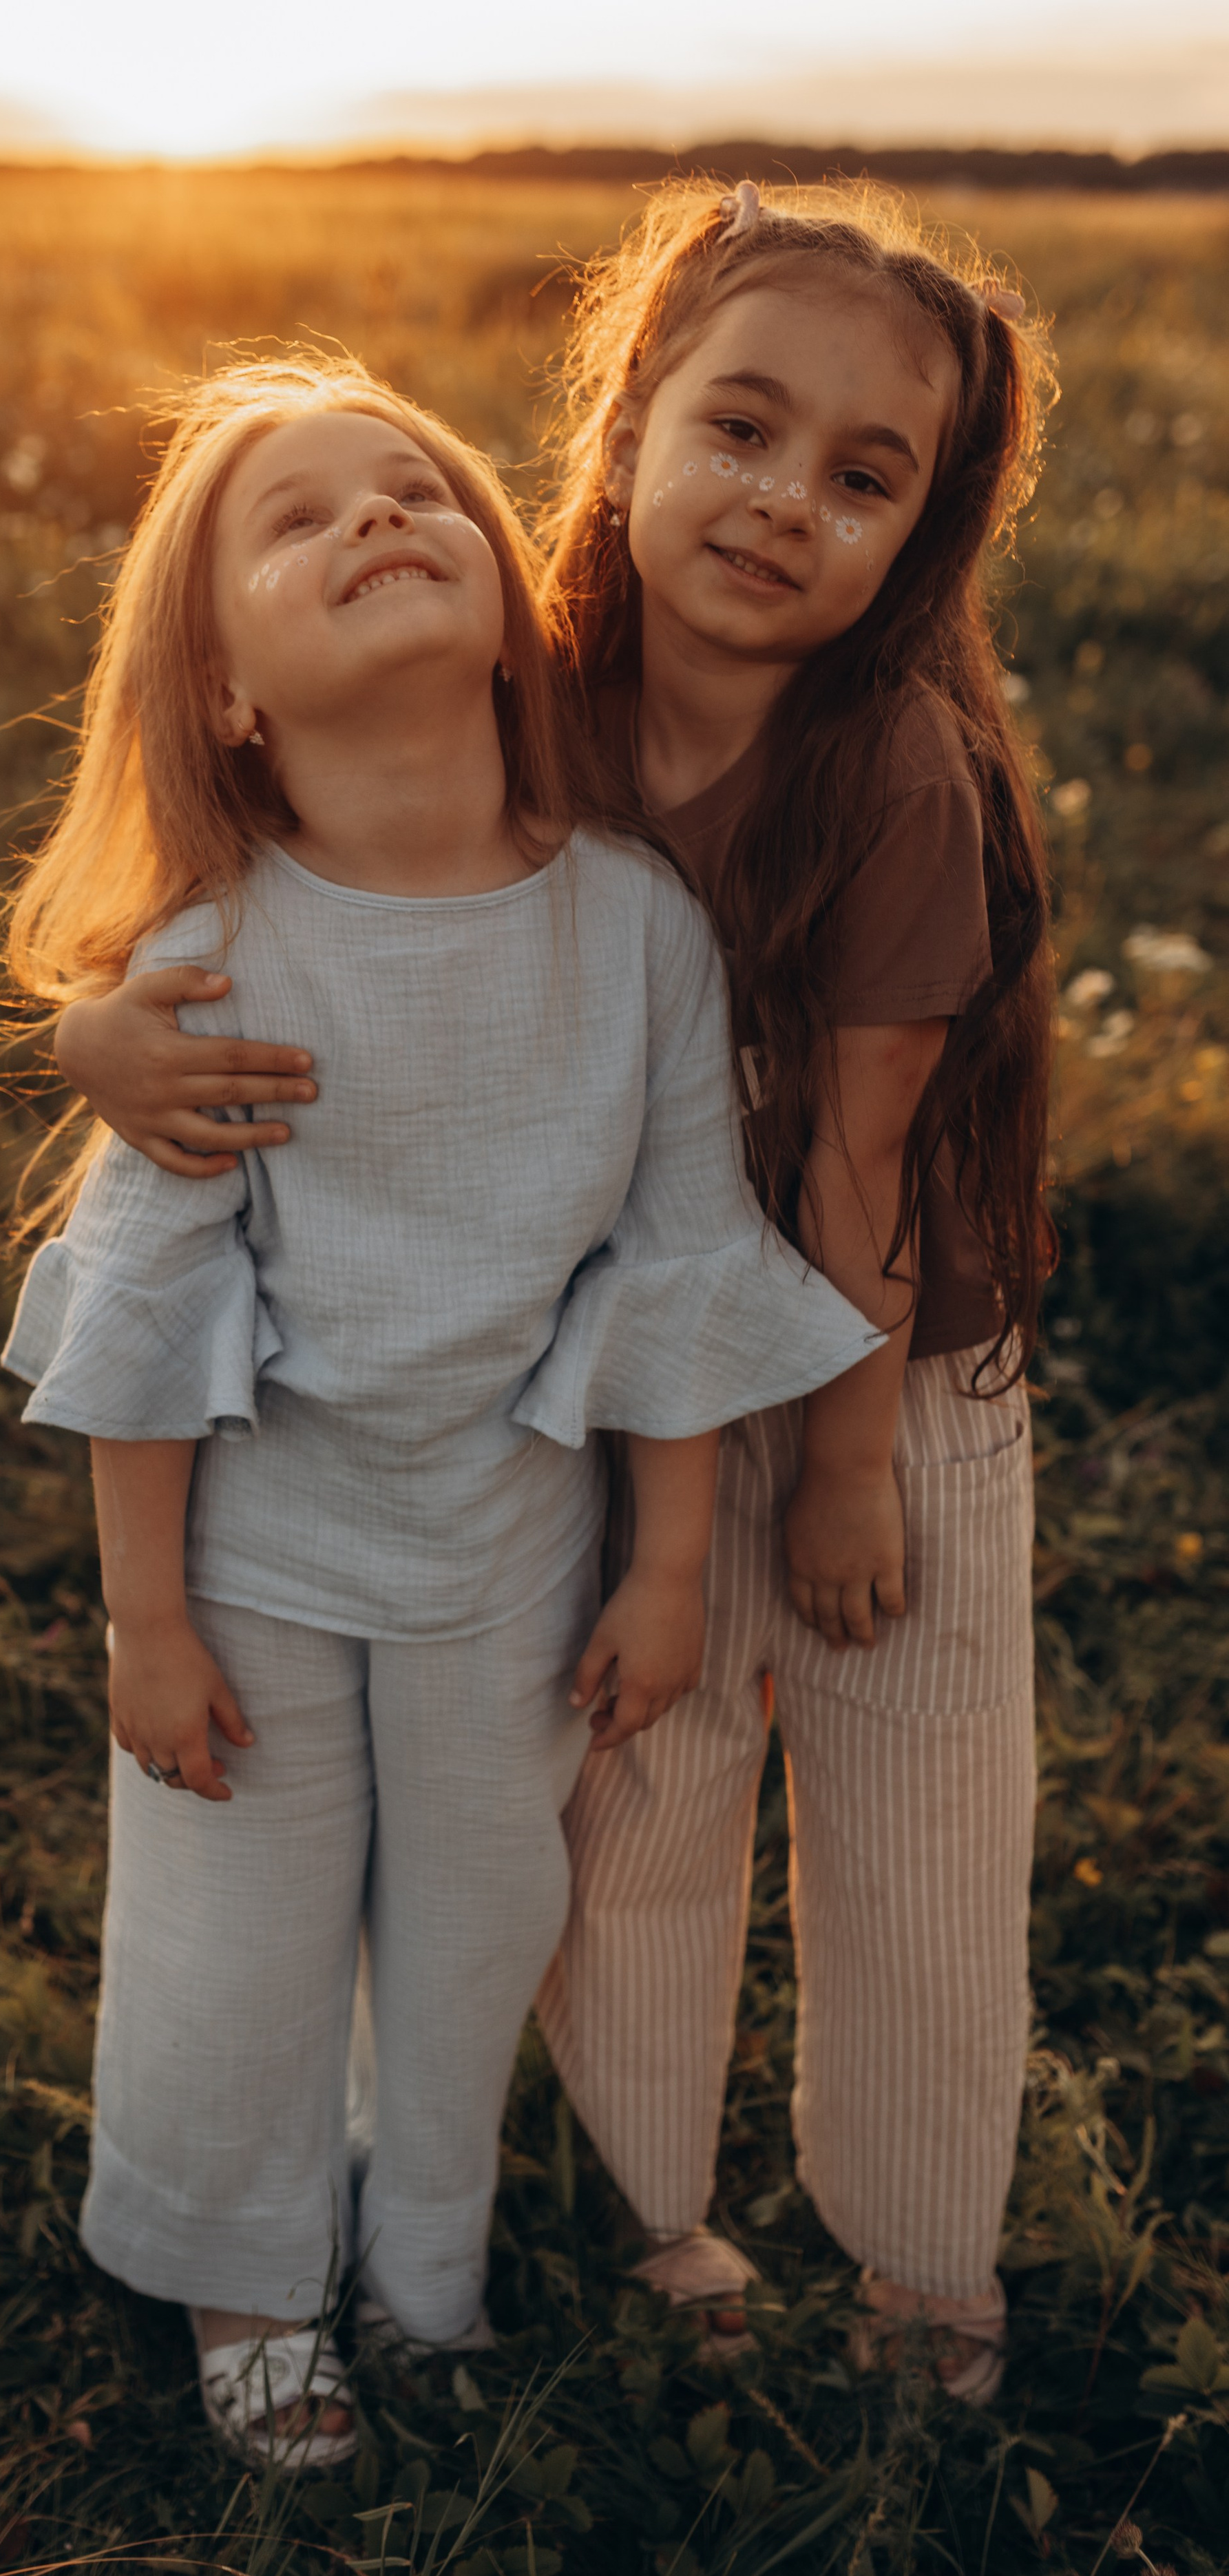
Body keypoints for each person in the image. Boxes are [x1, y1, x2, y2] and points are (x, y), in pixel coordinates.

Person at [52, 186, 1056, 2404]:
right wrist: (89, 1036)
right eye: (742, 430)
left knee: (894, 1809)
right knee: (637, 1805)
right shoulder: (536, 704)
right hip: (587, 1398)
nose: (784, 503)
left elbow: (854, 1170)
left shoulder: (884, 771)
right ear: (622, 433)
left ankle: (922, 2275)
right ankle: (651, 2220)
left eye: (862, 477)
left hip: (885, 1362)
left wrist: (847, 1476)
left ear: (919, 535)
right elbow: (252, 933)